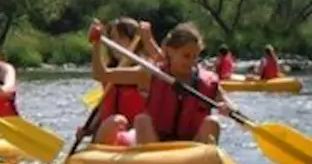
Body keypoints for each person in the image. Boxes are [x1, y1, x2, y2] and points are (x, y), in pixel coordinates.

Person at [95, 22, 232, 146]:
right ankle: (148, 163)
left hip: (192, 148)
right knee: (142, 120)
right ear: (171, 51)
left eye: (195, 56)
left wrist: (227, 107)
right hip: (156, 144)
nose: (191, 62)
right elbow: (102, 75)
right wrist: (96, 45)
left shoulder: (207, 81)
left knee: (212, 122)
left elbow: (229, 104)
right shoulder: (150, 74)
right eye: (186, 56)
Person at [85, 17, 155, 145]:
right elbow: (104, 106)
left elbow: (100, 75)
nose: (115, 43)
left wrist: (96, 43)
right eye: (112, 38)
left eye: (121, 38)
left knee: (116, 121)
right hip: (109, 133)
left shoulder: (144, 70)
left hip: (135, 135)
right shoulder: (110, 68)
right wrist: (89, 128)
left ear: (134, 41)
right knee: (114, 121)